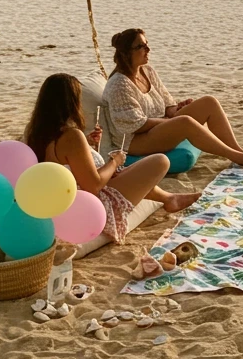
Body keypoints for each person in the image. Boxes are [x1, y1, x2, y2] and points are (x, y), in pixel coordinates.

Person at [24, 74, 202, 244]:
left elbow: (64, 162)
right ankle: (168, 198)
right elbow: (93, 186)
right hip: (92, 204)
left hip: (64, 197)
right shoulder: (71, 136)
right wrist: (115, 161)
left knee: (124, 172)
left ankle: (169, 198)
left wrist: (87, 144)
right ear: (70, 102)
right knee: (160, 162)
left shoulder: (35, 133)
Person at [103, 28, 243, 168]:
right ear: (126, 53)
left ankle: (238, 151)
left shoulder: (147, 71)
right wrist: (173, 121)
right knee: (185, 122)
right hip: (134, 141)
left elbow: (168, 104)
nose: (148, 50)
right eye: (141, 46)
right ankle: (236, 157)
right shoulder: (119, 84)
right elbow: (136, 125)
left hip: (156, 127)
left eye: (147, 44)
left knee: (208, 102)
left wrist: (177, 110)